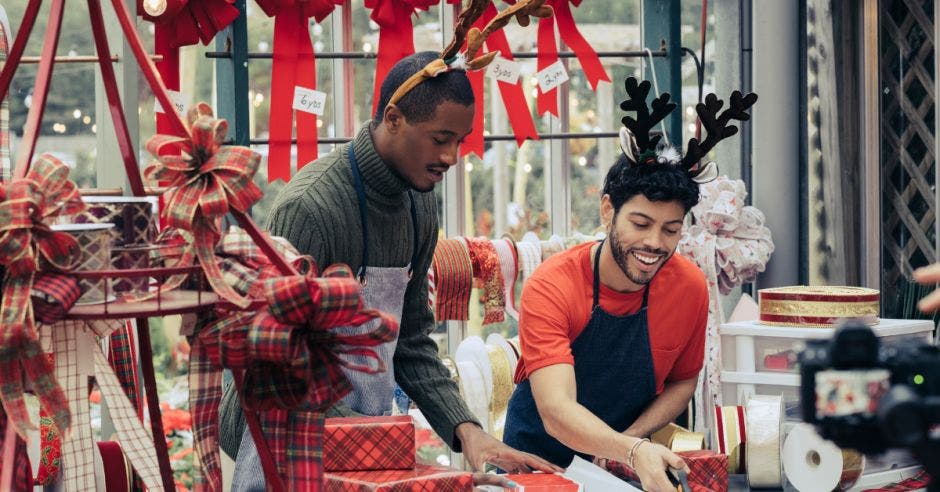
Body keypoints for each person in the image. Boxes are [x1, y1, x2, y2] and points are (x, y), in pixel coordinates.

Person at [218, 51, 559, 490]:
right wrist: (377, 444)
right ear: (394, 118)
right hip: (282, 442)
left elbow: (410, 341)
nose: (453, 156)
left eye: (460, 140)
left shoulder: (419, 201)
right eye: (441, 139)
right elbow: (273, 364)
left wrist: (467, 430)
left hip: (365, 444)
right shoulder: (311, 208)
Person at [501, 154, 708, 491]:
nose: (655, 243)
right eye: (640, 224)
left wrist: (631, 440)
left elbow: (682, 383)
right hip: (537, 465)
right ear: (608, 210)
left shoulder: (690, 287)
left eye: (671, 230)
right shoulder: (552, 285)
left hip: (620, 472)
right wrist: (632, 450)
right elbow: (556, 410)